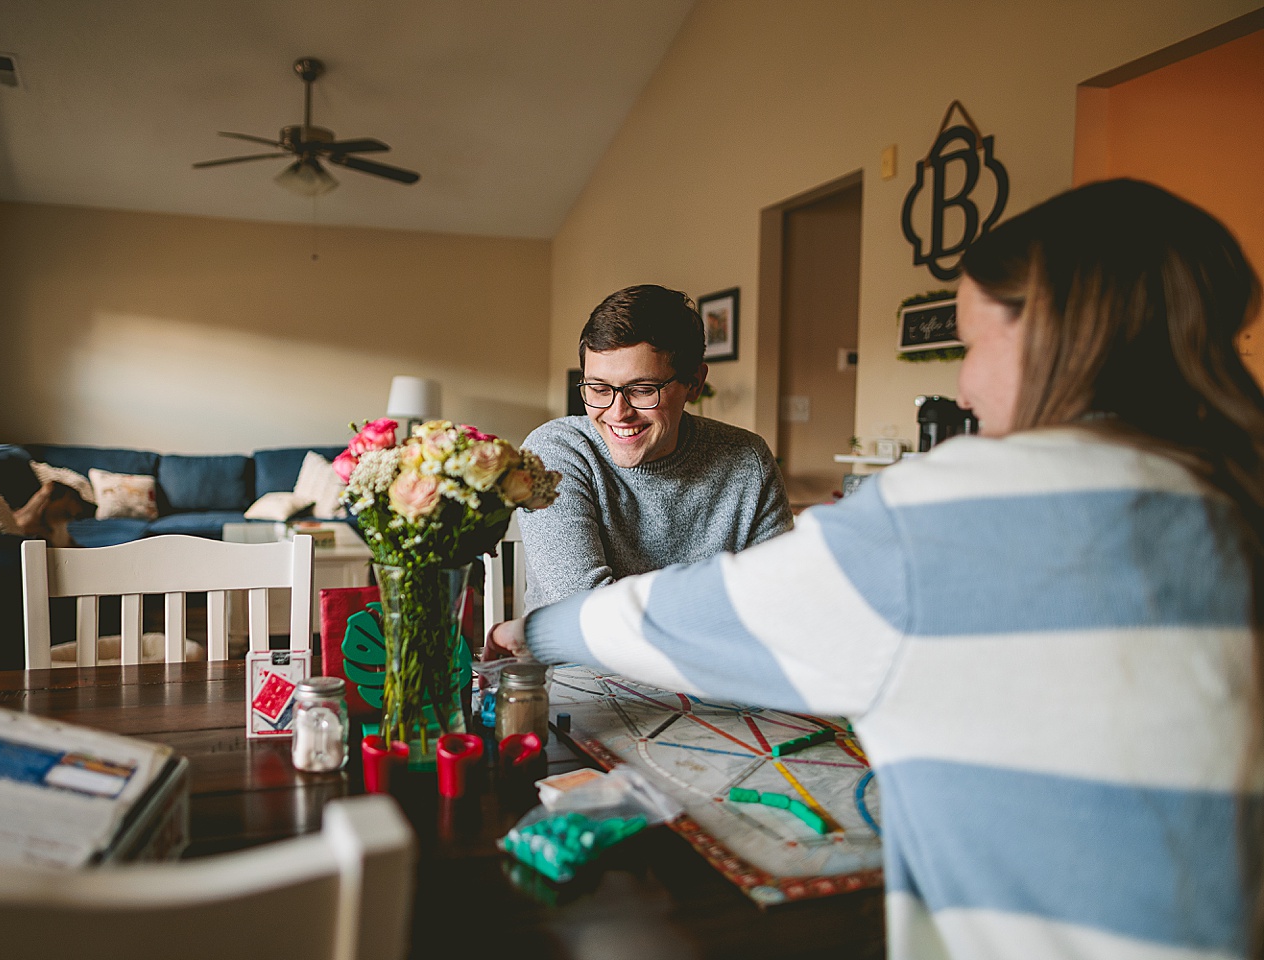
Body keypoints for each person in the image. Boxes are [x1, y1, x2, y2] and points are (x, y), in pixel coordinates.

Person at [492, 180, 1264, 960]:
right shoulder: (1237, 488)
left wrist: (536, 628)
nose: (962, 386)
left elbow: (739, 613)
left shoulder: (950, 506)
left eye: (972, 344)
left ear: (1054, 339)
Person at [517, 284, 792, 611]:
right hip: (580, 663)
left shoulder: (748, 461)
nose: (618, 412)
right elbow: (589, 615)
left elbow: (778, 601)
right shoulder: (555, 453)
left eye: (643, 389)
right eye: (599, 389)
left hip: (714, 662)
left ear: (695, 383)